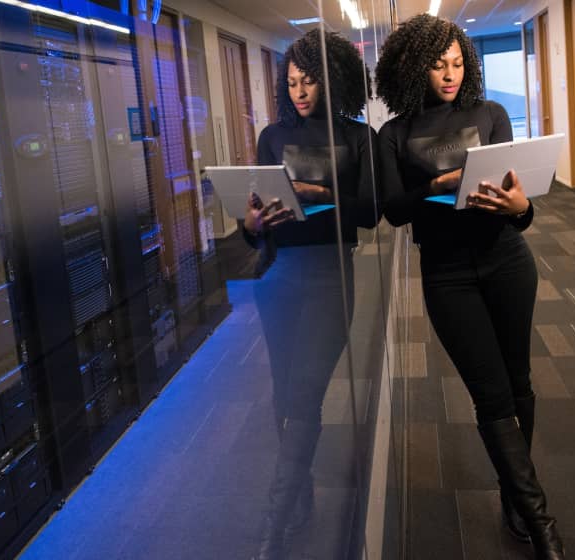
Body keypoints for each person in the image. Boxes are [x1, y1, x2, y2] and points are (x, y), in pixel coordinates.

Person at [375, 14, 564, 560]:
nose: (450, 74)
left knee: (518, 380)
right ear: (414, 69)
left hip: (507, 261)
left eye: (458, 63)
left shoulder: (492, 114)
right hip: (447, 274)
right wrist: (435, 185)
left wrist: (522, 207)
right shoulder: (395, 134)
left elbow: (518, 211)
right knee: (491, 394)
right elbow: (392, 210)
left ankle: (514, 495)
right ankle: (539, 517)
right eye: (438, 66)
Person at [242, 29, 379, 559]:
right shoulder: (271, 136)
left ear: (332, 78)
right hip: (278, 276)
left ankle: (275, 519)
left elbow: (370, 213)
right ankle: (299, 497)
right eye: (292, 82)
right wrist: (252, 223)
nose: (300, 91)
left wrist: (324, 194)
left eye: (309, 80)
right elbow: (252, 229)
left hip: (329, 276)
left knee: (304, 392)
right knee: (284, 395)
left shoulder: (356, 136)